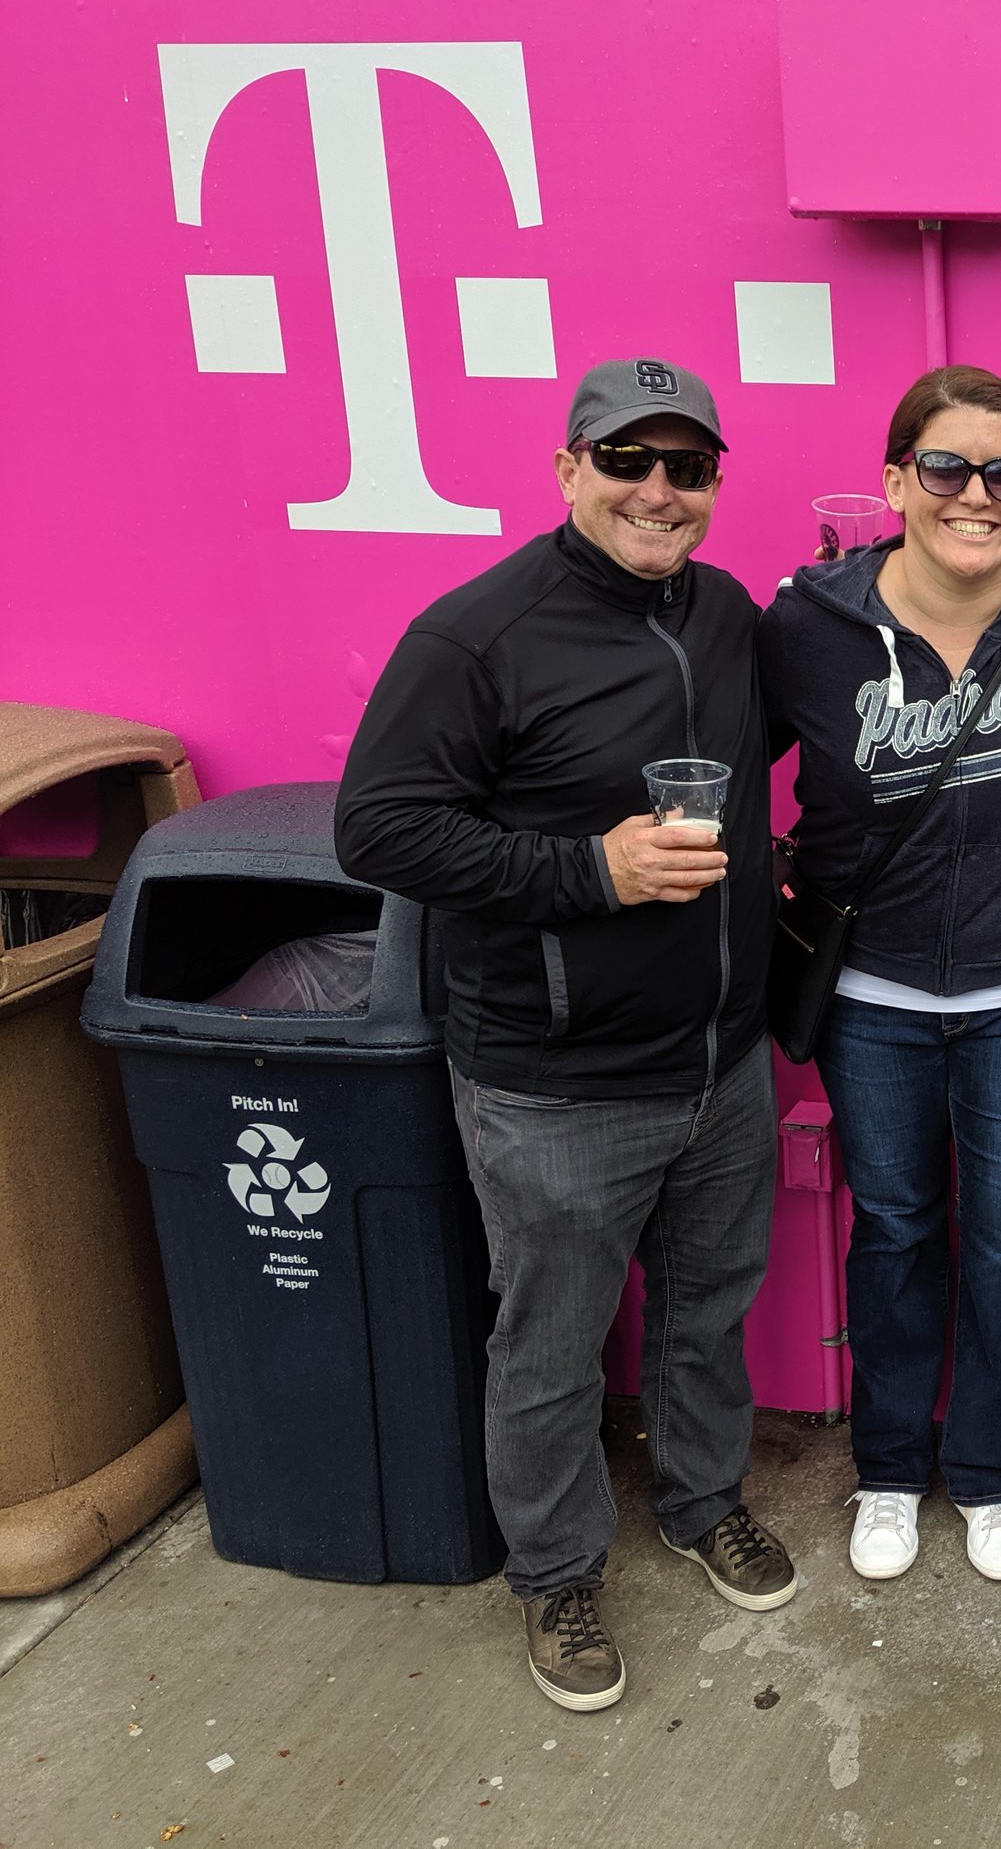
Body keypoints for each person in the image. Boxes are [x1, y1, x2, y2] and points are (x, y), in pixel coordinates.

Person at [337, 358, 793, 1715]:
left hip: (724, 1059)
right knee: (548, 1347)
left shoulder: (722, 612)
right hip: (556, 1083)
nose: (657, 490)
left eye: (686, 467)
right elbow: (383, 828)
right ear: (567, 468)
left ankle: (703, 1499)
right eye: (625, 460)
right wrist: (590, 870)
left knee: (708, 1317)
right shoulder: (478, 634)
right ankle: (555, 1571)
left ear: (714, 484)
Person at [761, 366, 1001, 1586]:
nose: (975, 493)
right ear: (895, 481)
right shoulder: (806, 628)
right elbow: (693, 748)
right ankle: (889, 1469)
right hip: (874, 997)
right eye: (946, 468)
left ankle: (986, 1472)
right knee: (899, 1229)